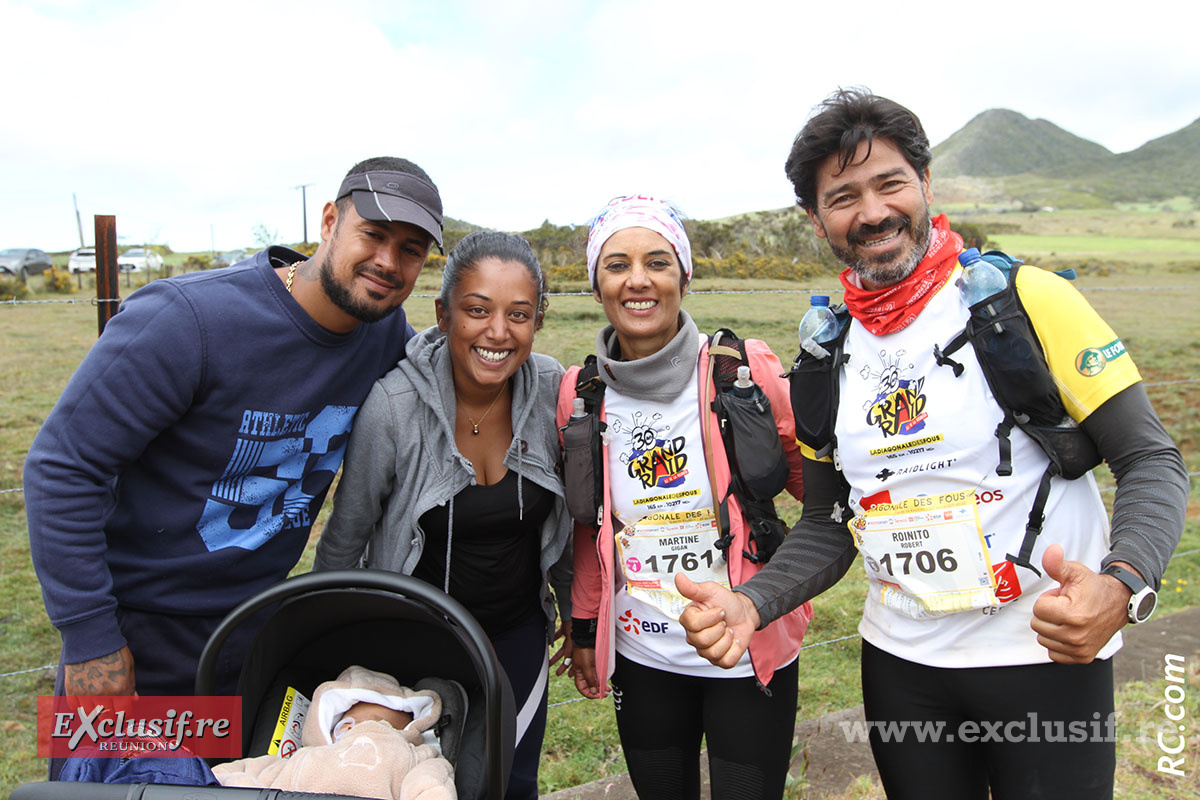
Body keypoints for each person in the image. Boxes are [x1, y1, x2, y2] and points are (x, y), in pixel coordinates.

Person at [677, 89, 1189, 800]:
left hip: (1043, 657)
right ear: (815, 218)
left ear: (925, 184)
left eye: (890, 183)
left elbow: (1150, 458)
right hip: (902, 669)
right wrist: (751, 602)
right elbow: (828, 525)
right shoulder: (824, 358)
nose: (874, 211)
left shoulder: (1025, 301)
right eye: (844, 196)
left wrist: (1123, 582)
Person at [24, 156, 443, 709]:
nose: (388, 261)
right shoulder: (187, 319)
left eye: (411, 249)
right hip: (137, 632)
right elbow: (62, 466)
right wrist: (89, 638)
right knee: (124, 790)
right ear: (328, 222)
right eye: (373, 233)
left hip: (258, 628)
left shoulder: (383, 334)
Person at [560, 195, 814, 799]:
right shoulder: (580, 392)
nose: (638, 280)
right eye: (617, 265)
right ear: (597, 286)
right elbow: (589, 527)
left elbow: (820, 500)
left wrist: (772, 594)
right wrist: (585, 625)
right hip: (641, 653)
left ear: (685, 276)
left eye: (657, 262)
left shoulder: (743, 371)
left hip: (747, 644)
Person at [313, 231, 572, 800]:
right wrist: (330, 646)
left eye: (519, 315)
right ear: (443, 313)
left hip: (515, 637)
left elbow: (578, 518)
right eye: (477, 310)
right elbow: (347, 535)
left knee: (510, 781)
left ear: (538, 321)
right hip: (410, 636)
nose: (498, 332)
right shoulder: (394, 407)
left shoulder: (555, 392)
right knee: (418, 784)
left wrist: (580, 613)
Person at [213, 665, 456, 800]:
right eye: (374, 720)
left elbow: (429, 784)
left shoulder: (414, 755)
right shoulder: (302, 757)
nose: (381, 728)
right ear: (342, 727)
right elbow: (243, 773)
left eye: (393, 727)